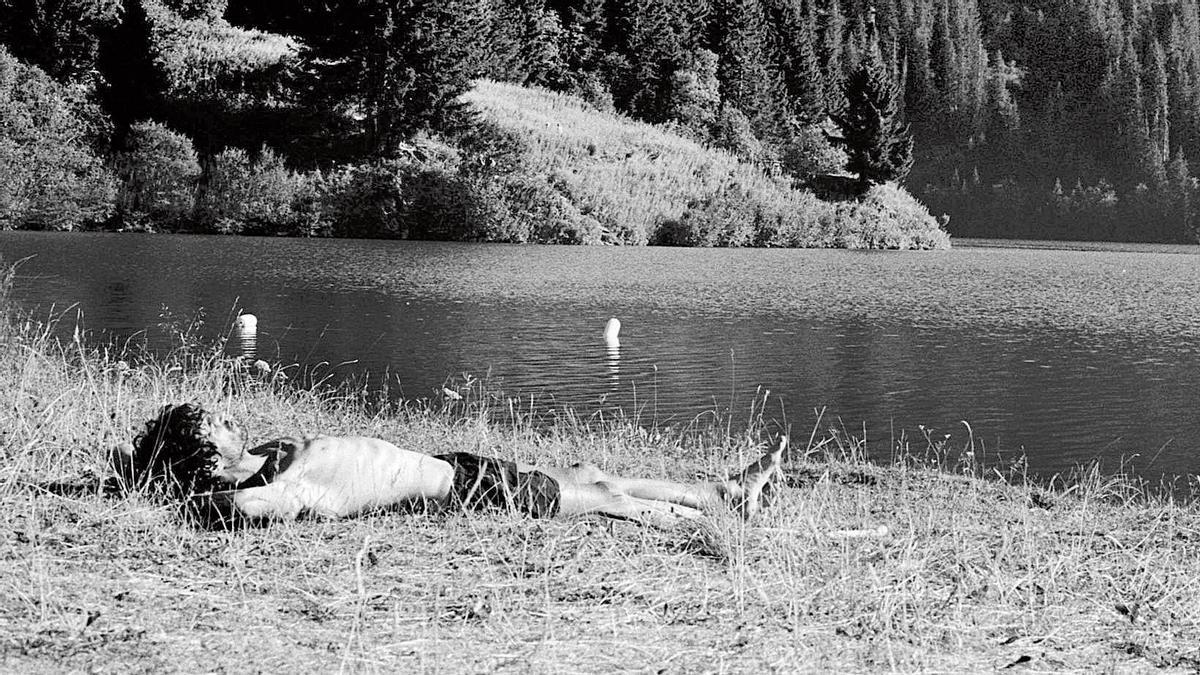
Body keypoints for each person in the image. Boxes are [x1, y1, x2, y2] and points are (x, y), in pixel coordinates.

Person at [112, 403, 786, 528]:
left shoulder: (264, 458)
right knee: (607, 499)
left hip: (447, 466)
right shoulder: (276, 487)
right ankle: (718, 517)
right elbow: (229, 508)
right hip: (467, 491)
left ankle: (721, 490)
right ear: (207, 450)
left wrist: (131, 470)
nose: (231, 419)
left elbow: (133, 465)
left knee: (585, 468)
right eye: (216, 424)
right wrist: (196, 497)